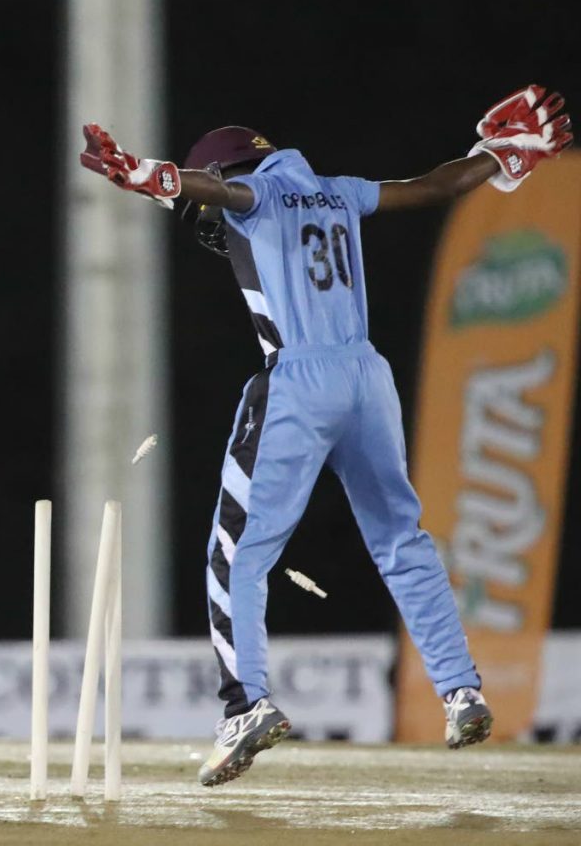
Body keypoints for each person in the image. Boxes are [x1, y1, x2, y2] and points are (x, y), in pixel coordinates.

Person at [80, 85, 571, 787]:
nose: (210, 218)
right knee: (401, 539)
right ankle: (462, 692)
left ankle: (247, 704)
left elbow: (202, 189)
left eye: (210, 195)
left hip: (300, 382)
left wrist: (139, 173)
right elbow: (433, 186)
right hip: (368, 379)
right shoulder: (335, 191)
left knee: (236, 558)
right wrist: (497, 156)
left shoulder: (256, 196)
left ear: (227, 177)